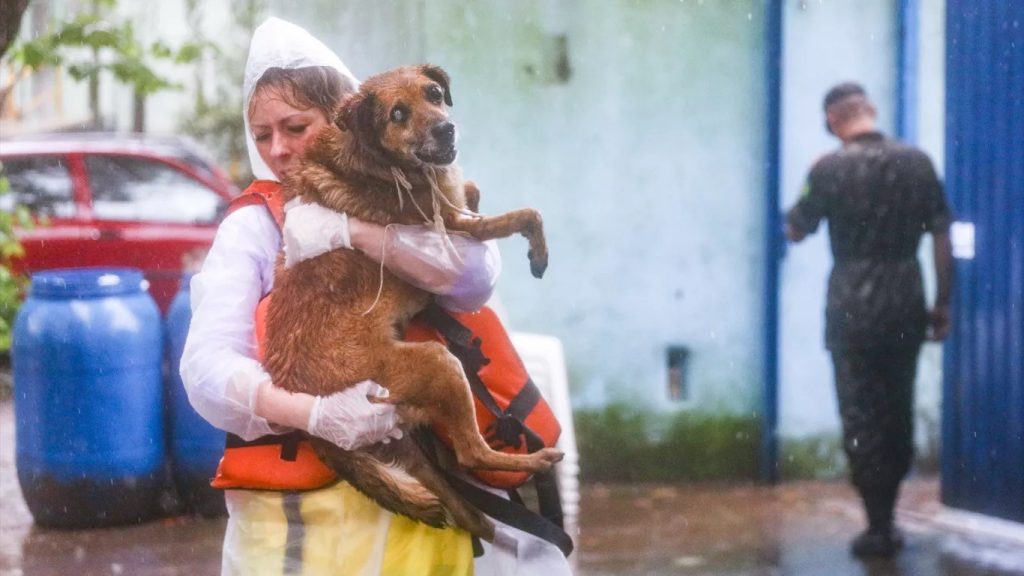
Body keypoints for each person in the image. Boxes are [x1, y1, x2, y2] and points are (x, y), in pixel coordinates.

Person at [181, 17, 571, 575]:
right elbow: (204, 368)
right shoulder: (251, 227)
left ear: (345, 121)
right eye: (262, 135)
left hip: (426, 514)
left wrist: (359, 233)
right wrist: (315, 413)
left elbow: (473, 280)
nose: (279, 150)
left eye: (296, 127)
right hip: (303, 528)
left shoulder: (401, 188)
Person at [785, 82, 954, 559]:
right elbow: (941, 236)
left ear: (832, 121)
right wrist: (942, 303)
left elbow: (795, 229)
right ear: (871, 111)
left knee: (860, 413)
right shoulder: (917, 163)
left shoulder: (827, 169)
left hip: (850, 306)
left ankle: (877, 523)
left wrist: (809, 186)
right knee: (896, 408)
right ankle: (889, 515)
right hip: (904, 298)